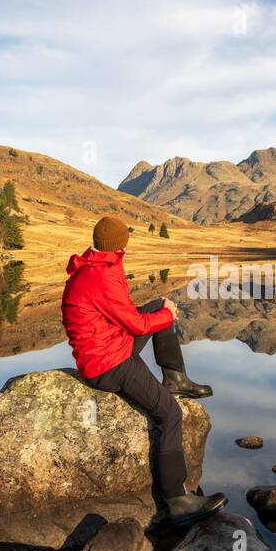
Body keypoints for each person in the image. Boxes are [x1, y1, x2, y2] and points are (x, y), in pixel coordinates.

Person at [61, 216, 227, 526]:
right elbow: (136, 325)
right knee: (170, 414)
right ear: (121, 242)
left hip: (102, 351)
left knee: (157, 305)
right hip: (109, 364)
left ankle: (175, 377)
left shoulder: (94, 266)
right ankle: (178, 501)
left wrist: (161, 312)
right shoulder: (103, 275)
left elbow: (124, 317)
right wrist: (166, 317)